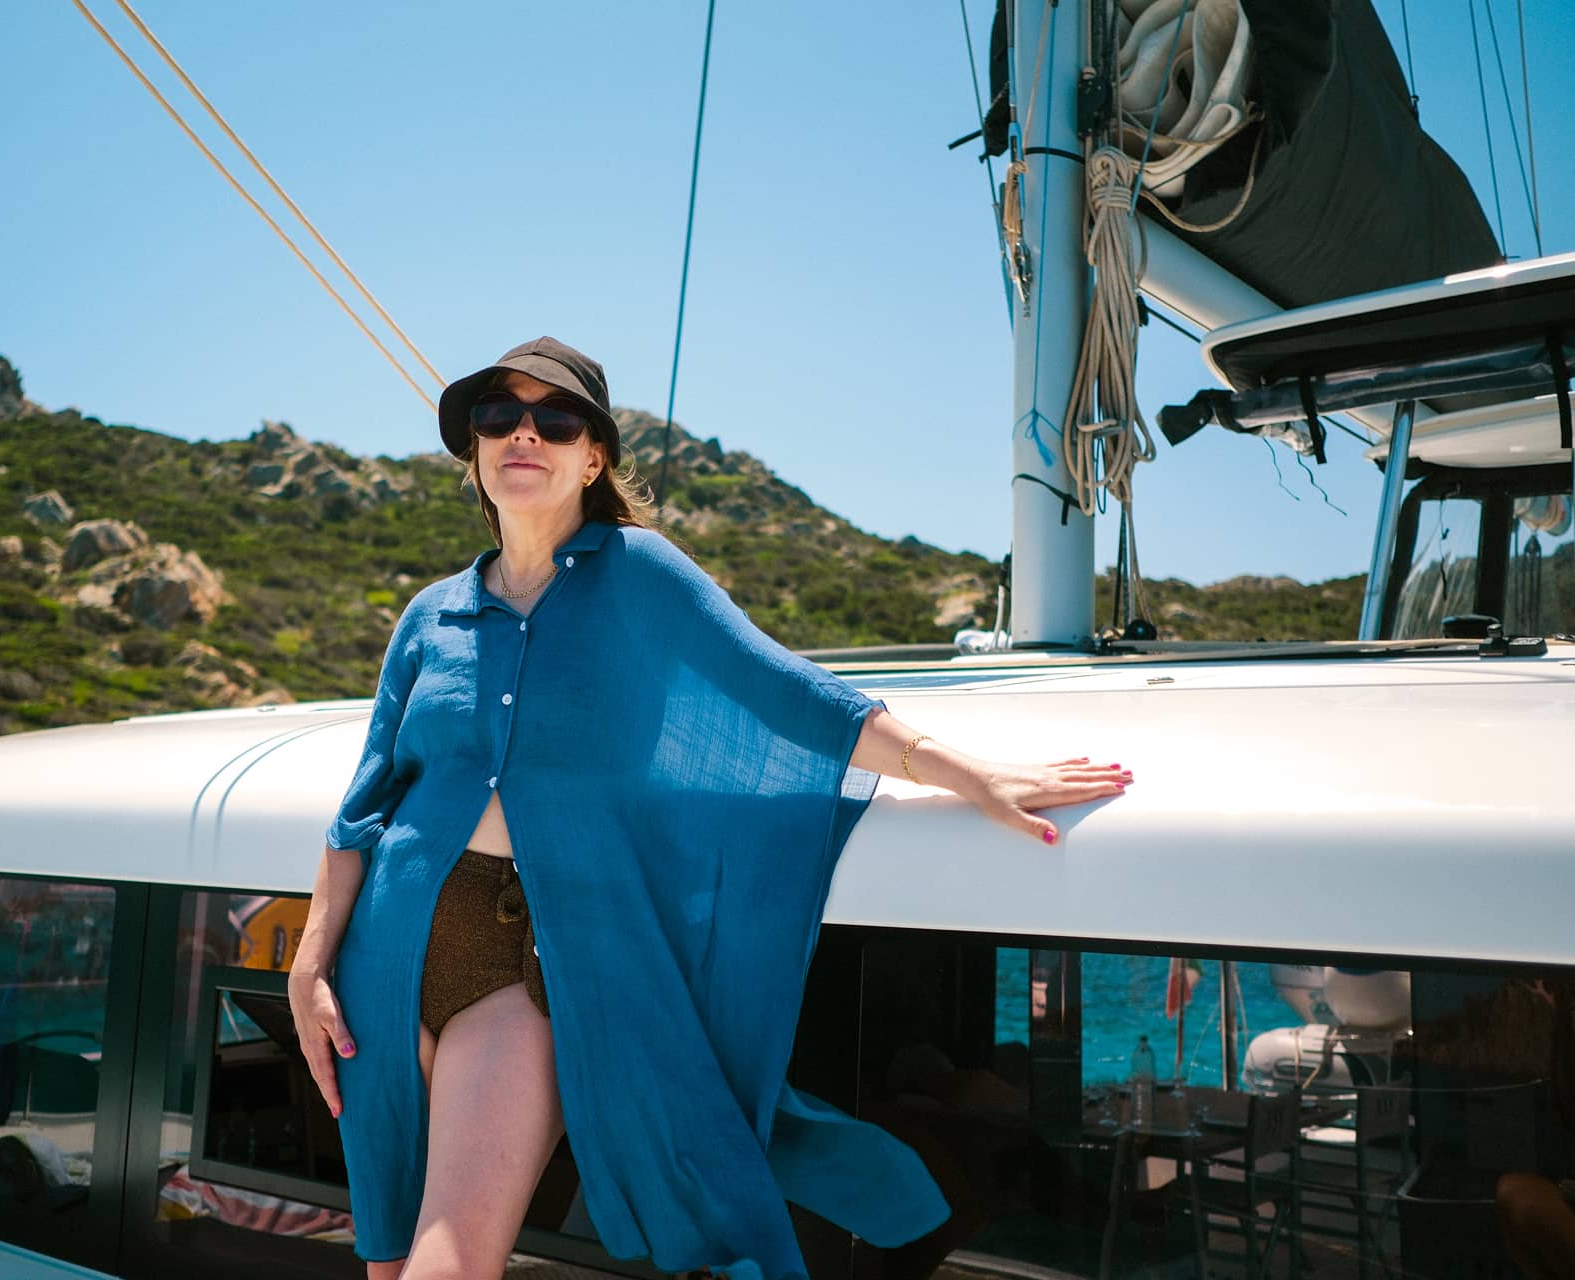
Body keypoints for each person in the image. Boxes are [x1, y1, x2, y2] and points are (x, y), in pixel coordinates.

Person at [286, 337, 1133, 1280]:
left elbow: (790, 697)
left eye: (554, 420)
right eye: (499, 418)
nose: (524, 433)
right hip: (383, 957)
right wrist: (310, 961)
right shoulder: (429, 616)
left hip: (523, 964)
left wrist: (969, 773)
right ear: (476, 451)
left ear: (592, 455)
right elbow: (362, 809)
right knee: (386, 1260)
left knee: (448, 1265)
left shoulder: (640, 577)